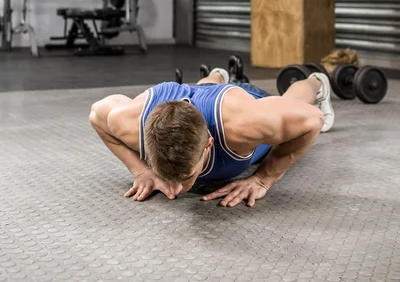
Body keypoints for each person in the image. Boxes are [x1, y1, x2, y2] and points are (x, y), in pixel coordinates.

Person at [89, 67, 334, 208]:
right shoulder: (129, 123)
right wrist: (141, 171)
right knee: (203, 87)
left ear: (208, 145)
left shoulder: (243, 125)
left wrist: (263, 180)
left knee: (294, 102)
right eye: (166, 176)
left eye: (185, 178)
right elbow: (96, 114)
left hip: (235, 102)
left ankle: (315, 81)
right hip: (189, 97)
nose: (175, 190)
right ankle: (215, 76)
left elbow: (313, 119)